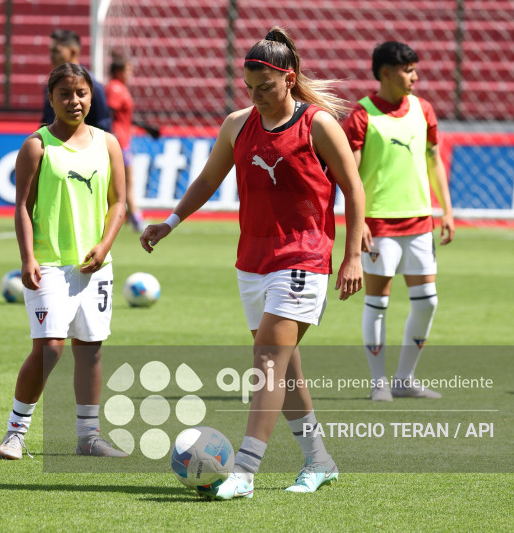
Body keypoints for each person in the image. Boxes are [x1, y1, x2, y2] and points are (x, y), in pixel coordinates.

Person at [140, 27, 365, 499]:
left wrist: (350, 257)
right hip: (252, 261)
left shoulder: (317, 124)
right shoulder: (237, 124)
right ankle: (319, 461)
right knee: (285, 369)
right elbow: (207, 179)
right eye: (250, 88)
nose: (258, 96)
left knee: (266, 361)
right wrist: (170, 222)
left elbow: (353, 187)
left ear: (289, 78)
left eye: (266, 87)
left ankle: (243, 470)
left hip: (304, 256)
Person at [0, 63, 127, 460]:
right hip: (50, 265)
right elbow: (22, 206)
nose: (75, 101)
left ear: (92, 96)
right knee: (51, 347)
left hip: (94, 266)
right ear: (50, 98)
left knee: (90, 348)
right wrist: (27, 257)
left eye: (82, 93)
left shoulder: (108, 143)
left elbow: (119, 201)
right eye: (65, 94)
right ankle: (15, 432)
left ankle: (88, 438)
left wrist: (105, 246)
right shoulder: (37, 145)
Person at [341, 41, 454, 402]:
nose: (415, 77)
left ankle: (404, 380)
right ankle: (379, 384)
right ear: (386, 73)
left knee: (428, 302)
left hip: (420, 222)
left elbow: (434, 159)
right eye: (408, 71)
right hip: (379, 226)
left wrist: (446, 209)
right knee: (378, 303)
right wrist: (359, 224)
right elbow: (349, 176)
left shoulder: (423, 110)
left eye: (415, 70)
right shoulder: (362, 115)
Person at [106, 53, 160, 233]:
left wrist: (146, 128)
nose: (131, 73)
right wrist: (112, 138)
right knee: (127, 183)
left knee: (121, 184)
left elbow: (124, 117)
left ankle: (128, 217)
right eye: (128, 70)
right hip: (119, 143)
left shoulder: (119, 87)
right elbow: (110, 114)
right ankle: (136, 220)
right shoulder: (115, 89)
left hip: (122, 141)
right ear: (119, 71)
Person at [41, 29, 112, 133]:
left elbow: (102, 125)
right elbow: (46, 122)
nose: (51, 56)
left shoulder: (93, 85)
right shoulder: (51, 85)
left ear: (73, 52)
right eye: (64, 94)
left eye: (56, 51)